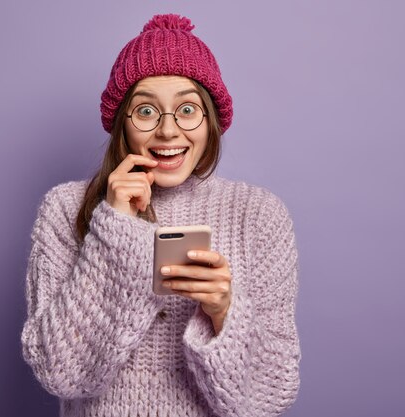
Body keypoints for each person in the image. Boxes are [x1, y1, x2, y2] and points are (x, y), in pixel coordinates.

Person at [21, 13, 300, 417]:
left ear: (211, 122)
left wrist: (224, 311)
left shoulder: (258, 216)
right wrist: (113, 231)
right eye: (147, 112)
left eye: (187, 109)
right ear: (122, 124)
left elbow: (267, 400)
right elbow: (60, 373)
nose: (168, 131)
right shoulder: (65, 209)